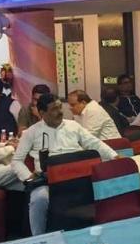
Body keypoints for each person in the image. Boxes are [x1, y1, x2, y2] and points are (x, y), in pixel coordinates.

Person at [12, 94, 118, 235]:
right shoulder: (31, 132)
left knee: (106, 186)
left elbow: (94, 143)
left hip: (78, 177)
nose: (60, 112)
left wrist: (114, 156)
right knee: (39, 199)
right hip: (48, 180)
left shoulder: (73, 126)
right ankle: (39, 238)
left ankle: (107, 229)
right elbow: (17, 160)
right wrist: (28, 176)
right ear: (42, 113)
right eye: (54, 109)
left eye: (60, 107)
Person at [0, 99, 49, 236]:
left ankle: (24, 230)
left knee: (27, 186)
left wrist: (6, 144)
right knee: (21, 168)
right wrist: (12, 148)